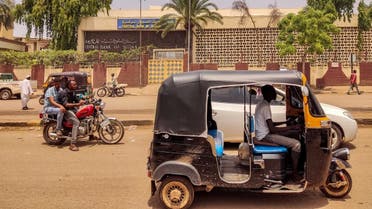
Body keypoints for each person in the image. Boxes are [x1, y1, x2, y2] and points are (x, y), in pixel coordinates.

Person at [255, 85, 303, 182]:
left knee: (293, 133)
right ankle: (294, 172)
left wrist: (286, 123)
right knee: (296, 144)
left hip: (265, 133)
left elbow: (269, 124)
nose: (275, 94)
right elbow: (272, 129)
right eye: (273, 92)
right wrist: (292, 126)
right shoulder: (265, 107)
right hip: (266, 136)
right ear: (268, 94)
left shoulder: (262, 104)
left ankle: (290, 164)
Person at [57, 80, 85, 151]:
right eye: (74, 85)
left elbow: (76, 99)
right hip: (65, 110)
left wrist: (82, 100)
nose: (76, 86)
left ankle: (90, 135)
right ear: (69, 85)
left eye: (75, 84)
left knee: (85, 115)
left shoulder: (72, 92)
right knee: (76, 122)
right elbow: (66, 104)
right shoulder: (64, 92)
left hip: (72, 109)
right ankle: (72, 144)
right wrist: (77, 104)